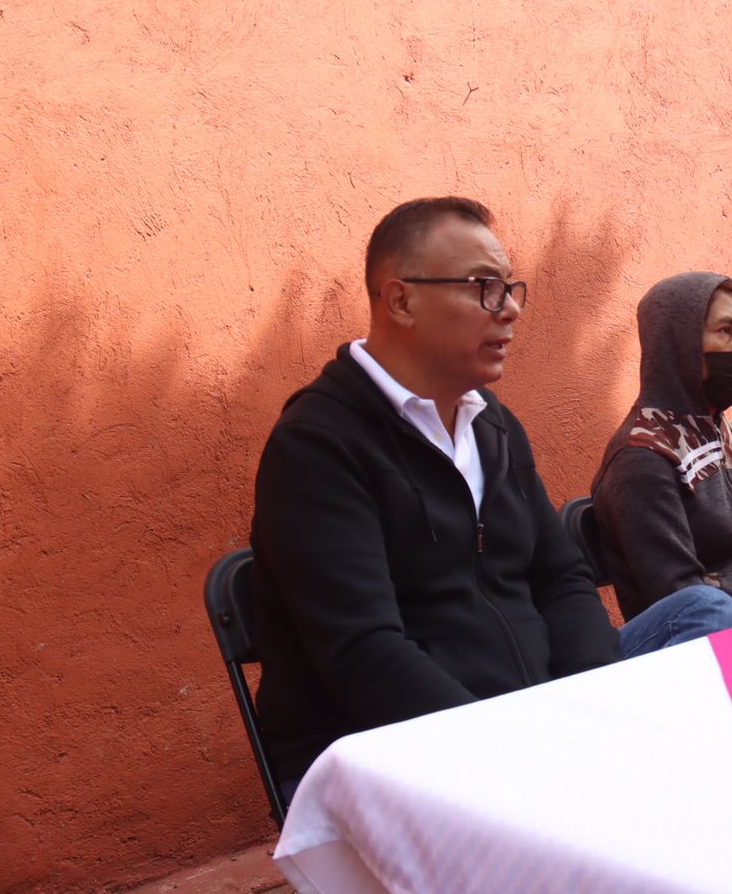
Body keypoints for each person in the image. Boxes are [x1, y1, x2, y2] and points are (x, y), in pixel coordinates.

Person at [249, 197, 643, 796]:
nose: (509, 308)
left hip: (531, 725)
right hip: (393, 762)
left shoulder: (493, 425)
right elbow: (364, 655)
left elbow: (561, 578)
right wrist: (512, 754)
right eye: (484, 287)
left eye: (509, 287)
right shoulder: (318, 445)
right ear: (401, 301)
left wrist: (589, 706)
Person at [592, 273, 732, 648]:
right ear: (677, 345)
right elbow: (679, 591)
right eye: (725, 331)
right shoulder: (641, 457)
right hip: (711, 654)